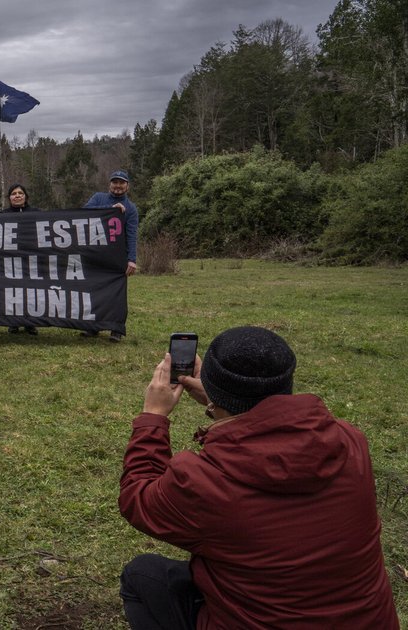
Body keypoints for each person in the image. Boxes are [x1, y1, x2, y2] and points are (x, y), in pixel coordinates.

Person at [118, 326, 398, 629]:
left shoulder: (206, 482)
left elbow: (138, 495)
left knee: (142, 575)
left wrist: (153, 417)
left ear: (212, 386)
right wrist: (218, 405)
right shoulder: (350, 441)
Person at [81, 170, 138, 342]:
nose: (118, 186)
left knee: (116, 294)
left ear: (127, 186)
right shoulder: (98, 198)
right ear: (110, 184)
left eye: (122, 183)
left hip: (117, 257)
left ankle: (116, 329)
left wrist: (132, 259)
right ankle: (93, 327)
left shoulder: (131, 209)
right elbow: (83, 213)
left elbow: (131, 235)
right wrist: (109, 210)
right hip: (95, 253)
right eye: (115, 182)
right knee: (94, 290)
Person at [4, 183, 38, 335]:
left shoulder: (37, 213)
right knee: (12, 289)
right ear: (9, 197)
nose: (17, 195)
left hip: (31, 259)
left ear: (26, 197)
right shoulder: (1, 214)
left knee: (31, 290)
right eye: (13, 193)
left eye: (20, 193)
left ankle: (30, 323)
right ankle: (14, 322)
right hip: (11, 259)